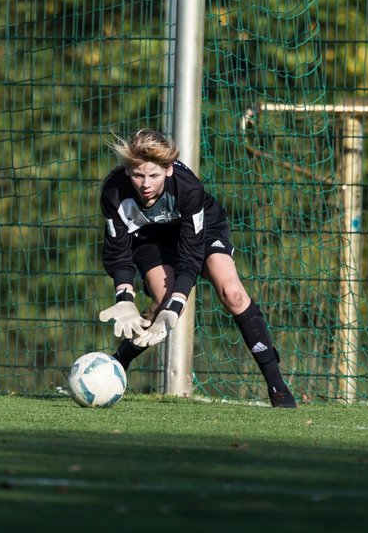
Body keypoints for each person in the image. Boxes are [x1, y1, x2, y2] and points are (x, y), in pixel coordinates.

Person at [96, 129, 297, 408]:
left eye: (153, 175)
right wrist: (124, 298)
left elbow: (191, 256)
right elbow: (118, 252)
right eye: (138, 175)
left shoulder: (188, 189)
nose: (145, 184)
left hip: (201, 232)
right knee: (161, 303)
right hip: (152, 239)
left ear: (167, 170)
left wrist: (176, 308)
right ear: (127, 169)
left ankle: (277, 385)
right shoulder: (113, 192)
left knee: (232, 293)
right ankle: (120, 361)